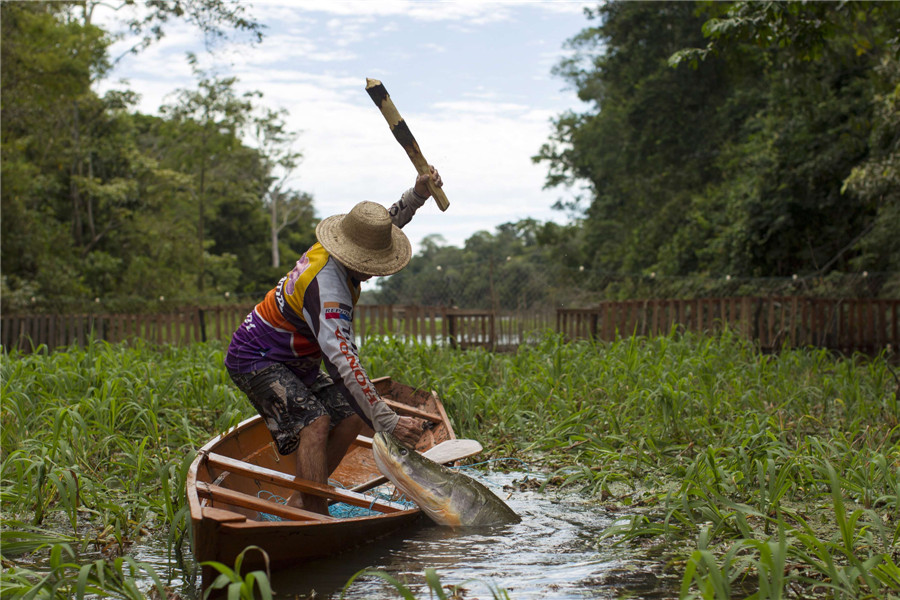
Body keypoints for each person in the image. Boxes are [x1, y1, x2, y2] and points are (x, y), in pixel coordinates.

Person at [224, 166, 443, 515]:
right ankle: (313, 511)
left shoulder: (344, 246)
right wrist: (387, 420)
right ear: (354, 257)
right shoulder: (329, 289)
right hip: (257, 357)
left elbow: (383, 224)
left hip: (294, 359)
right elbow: (343, 362)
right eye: (372, 265)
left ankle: (305, 494)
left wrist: (416, 196)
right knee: (315, 421)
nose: (373, 272)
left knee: (354, 415)